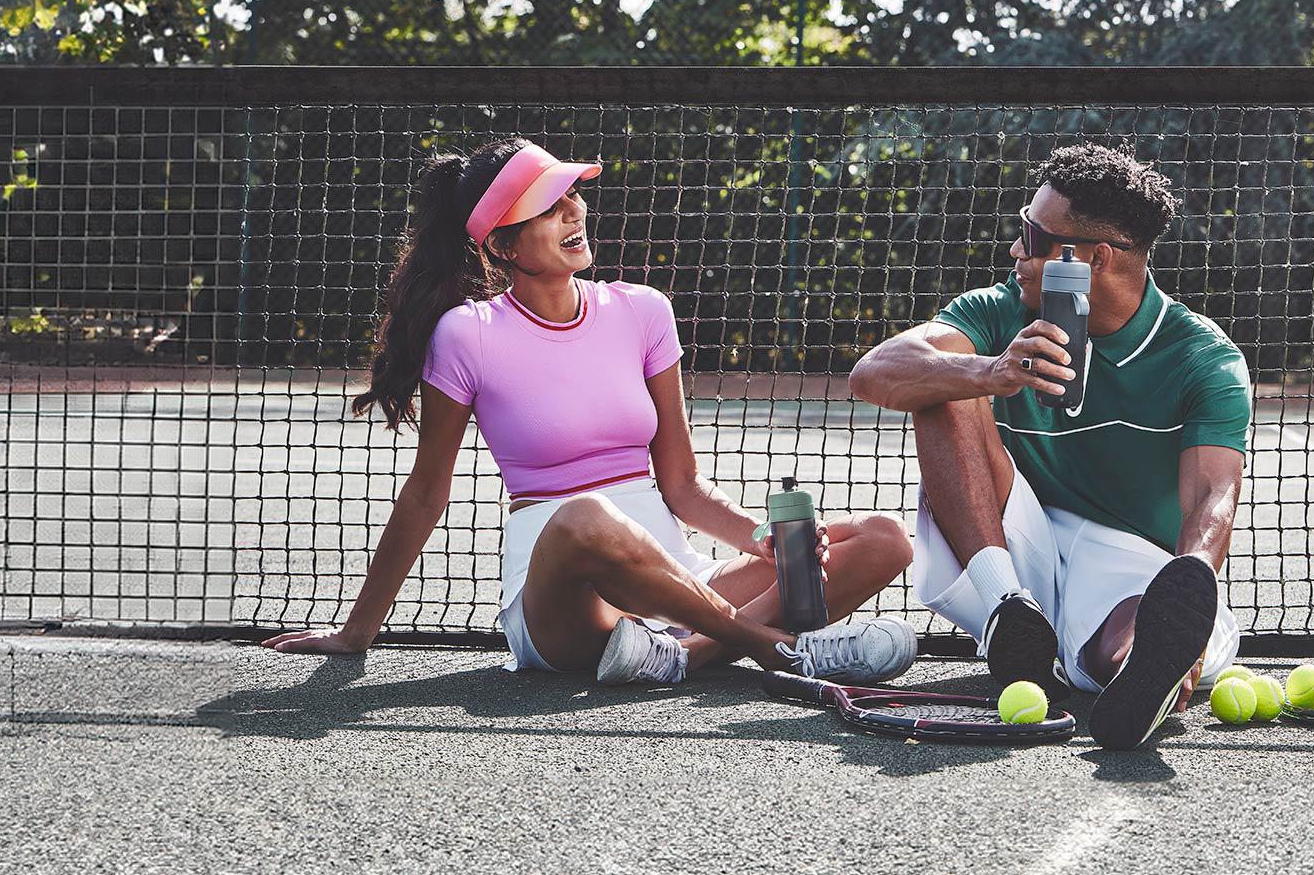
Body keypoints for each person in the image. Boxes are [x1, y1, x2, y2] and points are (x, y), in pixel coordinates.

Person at [262, 137, 917, 687]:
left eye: (571, 194)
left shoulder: (644, 312)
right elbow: (427, 491)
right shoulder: (467, 334)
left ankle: (686, 656)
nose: (575, 209)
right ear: (503, 246)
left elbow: (683, 485)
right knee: (585, 516)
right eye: (549, 205)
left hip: (682, 589)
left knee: (883, 538)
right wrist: (356, 632)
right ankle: (775, 648)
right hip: (563, 608)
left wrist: (759, 539)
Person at [848, 144, 1252, 749]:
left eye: (1033, 237)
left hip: (1129, 558)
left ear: (1093, 259)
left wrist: (1192, 574)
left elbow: (1212, 495)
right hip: (1011, 540)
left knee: (1138, 639)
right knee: (941, 379)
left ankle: (1145, 669)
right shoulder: (997, 312)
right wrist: (991, 373)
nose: (1016, 249)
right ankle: (1008, 612)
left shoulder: (1201, 357)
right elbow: (873, 373)